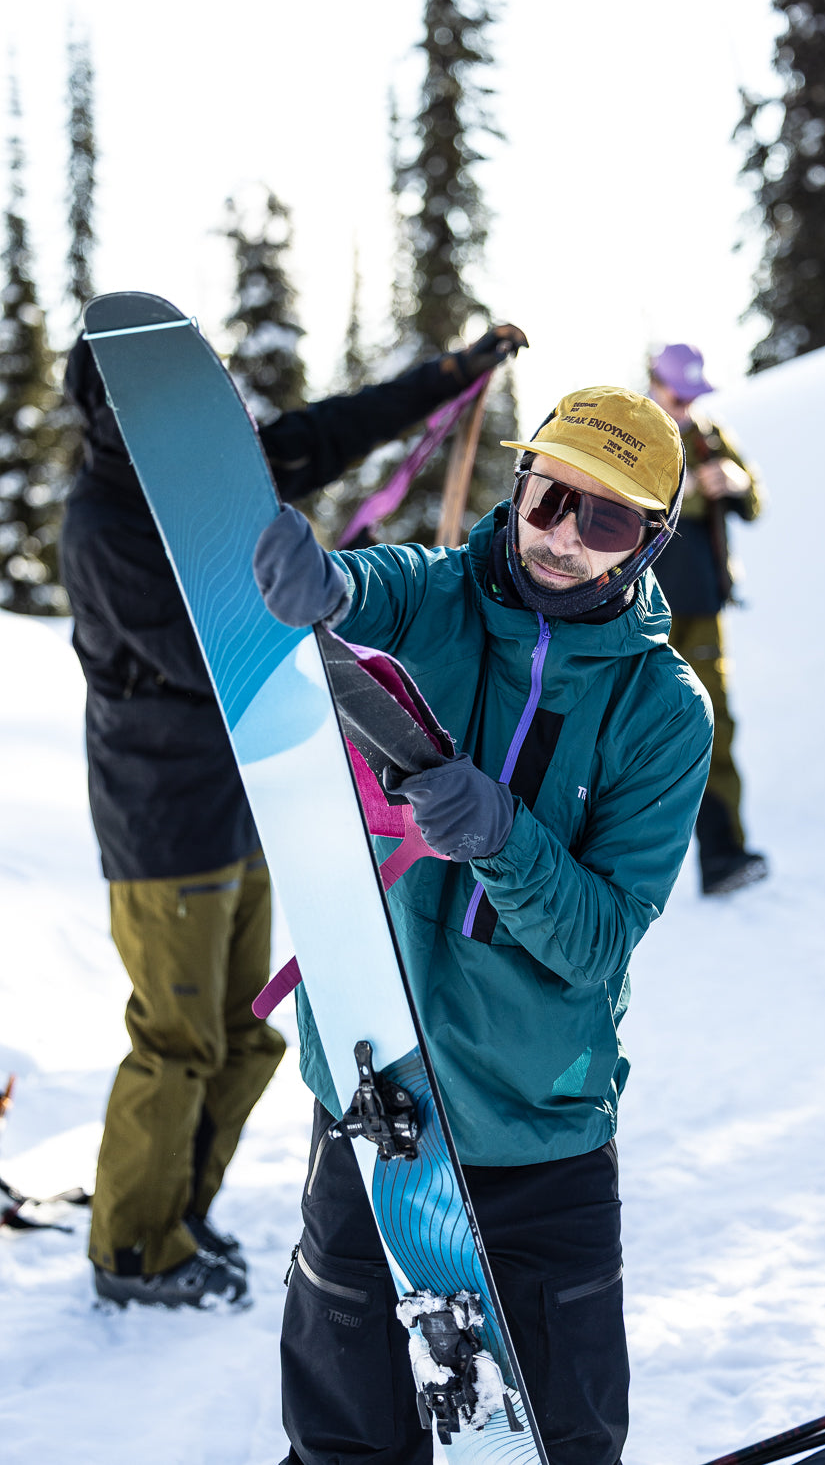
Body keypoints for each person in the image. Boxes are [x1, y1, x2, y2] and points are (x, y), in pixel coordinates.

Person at [252, 384, 714, 1464]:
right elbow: (367, 590)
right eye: (547, 498)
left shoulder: (663, 710)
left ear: (651, 541)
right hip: (374, 1106)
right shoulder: (438, 597)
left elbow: (597, 941)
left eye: (606, 520)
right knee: (343, 1443)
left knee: (557, 1444)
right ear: (517, 487)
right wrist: (322, 584)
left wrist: (504, 835)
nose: (561, 537)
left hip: (534, 1136)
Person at [59, 321, 526, 1310]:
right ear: (111, 408)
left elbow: (333, 432)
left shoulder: (205, 480)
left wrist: (451, 374)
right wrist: (312, 626)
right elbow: (208, 660)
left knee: (245, 1035)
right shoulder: (105, 523)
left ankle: (179, 1212)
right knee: (178, 1039)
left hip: (241, 804)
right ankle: (133, 1251)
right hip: (160, 824)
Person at [648, 342, 768, 896]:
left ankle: (723, 854)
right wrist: (692, 490)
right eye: (679, 395)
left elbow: (754, 500)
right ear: (655, 382)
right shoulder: (636, 432)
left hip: (703, 609)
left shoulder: (711, 435)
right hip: (643, 611)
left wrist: (737, 482)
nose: (687, 405)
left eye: (693, 396)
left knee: (712, 723)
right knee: (636, 733)